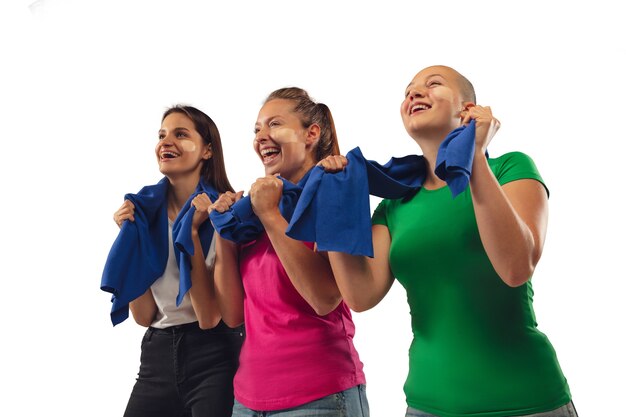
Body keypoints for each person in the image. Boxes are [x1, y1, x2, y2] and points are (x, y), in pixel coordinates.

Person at [322, 66, 576, 417]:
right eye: (409, 91)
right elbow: (361, 295)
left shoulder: (509, 168)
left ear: (468, 108)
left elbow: (517, 266)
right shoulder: (395, 205)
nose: (414, 94)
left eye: (433, 84)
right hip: (428, 404)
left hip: (526, 401)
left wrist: (474, 155)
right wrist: (330, 202)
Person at [209, 87, 369, 417]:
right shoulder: (251, 216)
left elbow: (325, 298)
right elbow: (233, 315)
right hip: (247, 401)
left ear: (312, 133)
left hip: (318, 398)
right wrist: (225, 231)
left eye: (275, 124)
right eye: (257, 129)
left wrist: (270, 215)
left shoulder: (333, 192)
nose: (261, 137)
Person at [108, 105, 244, 417]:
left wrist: (192, 233)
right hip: (157, 353)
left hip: (215, 354)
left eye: (180, 134)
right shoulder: (144, 213)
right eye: (162, 135)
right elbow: (144, 315)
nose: (166, 142)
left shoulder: (227, 213)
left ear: (207, 150)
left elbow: (209, 316)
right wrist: (131, 241)